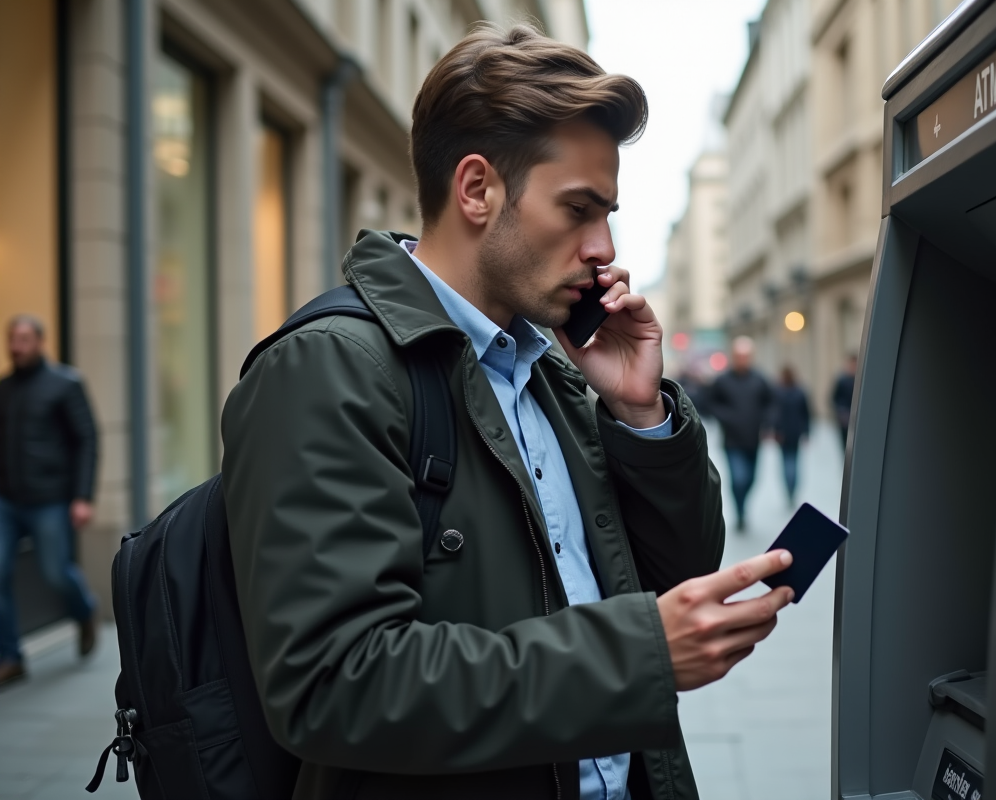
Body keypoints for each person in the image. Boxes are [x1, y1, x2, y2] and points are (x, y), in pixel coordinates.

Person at [221, 25, 795, 800]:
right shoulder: (328, 369)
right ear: (477, 189)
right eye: (579, 209)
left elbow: (676, 575)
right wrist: (636, 656)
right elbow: (333, 683)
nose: (604, 248)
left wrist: (640, 412)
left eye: (610, 214)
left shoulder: (549, 368)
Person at [0, 315, 99, 687]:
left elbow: (86, 440)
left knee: (56, 571)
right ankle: (10, 656)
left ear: (40, 342)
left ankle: (84, 610)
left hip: (50, 500)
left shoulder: (64, 384)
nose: (16, 346)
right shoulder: (4, 389)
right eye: (12, 339)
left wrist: (82, 496)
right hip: (7, 500)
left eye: (24, 339)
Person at [706, 336, 775, 532]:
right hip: (732, 440)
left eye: (746, 356)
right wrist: (727, 418)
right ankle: (740, 512)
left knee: (752, 478)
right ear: (733, 356)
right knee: (738, 478)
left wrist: (768, 421)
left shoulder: (760, 379)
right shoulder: (722, 380)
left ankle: (743, 506)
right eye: (739, 356)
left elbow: (771, 403)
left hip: (754, 439)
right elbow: (710, 403)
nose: (742, 359)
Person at [773, 366, 811, 504]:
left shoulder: (777, 392)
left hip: (782, 433)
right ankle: (792, 489)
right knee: (794, 461)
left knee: (786, 462)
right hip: (796, 432)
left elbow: (774, 415)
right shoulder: (800, 392)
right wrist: (806, 432)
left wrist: (774, 430)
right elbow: (806, 414)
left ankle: (789, 489)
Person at [832, 353, 857, 447]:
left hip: (857, 417)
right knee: (846, 445)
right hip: (845, 418)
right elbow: (834, 398)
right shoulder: (841, 380)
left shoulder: (860, 379)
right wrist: (841, 411)